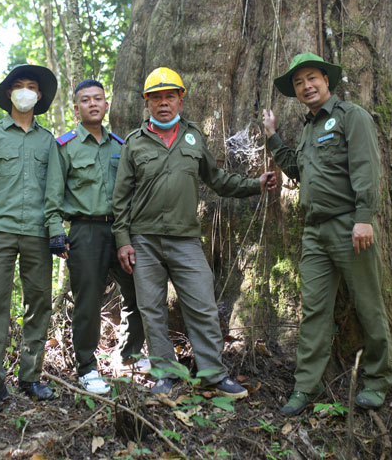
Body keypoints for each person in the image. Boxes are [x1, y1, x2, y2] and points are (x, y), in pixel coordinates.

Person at [112, 67, 277, 398]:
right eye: (155, 97)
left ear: (180, 101)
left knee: (202, 304)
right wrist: (123, 241)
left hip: (186, 239)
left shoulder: (193, 137)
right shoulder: (134, 143)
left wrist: (254, 186)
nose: (163, 103)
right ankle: (165, 374)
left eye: (169, 96)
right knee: (152, 309)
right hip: (145, 241)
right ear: (146, 103)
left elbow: (217, 179)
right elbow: (120, 199)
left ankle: (212, 374)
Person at [262, 52, 392, 416]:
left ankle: (379, 381)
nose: (306, 86)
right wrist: (273, 138)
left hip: (350, 225)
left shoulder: (352, 117)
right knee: (315, 311)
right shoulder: (307, 129)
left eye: (312, 78)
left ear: (326, 80)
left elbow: (366, 166)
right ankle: (306, 386)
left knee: (368, 304)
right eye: (299, 82)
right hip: (315, 232)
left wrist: (364, 217)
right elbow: (297, 170)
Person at [44, 79, 148, 395]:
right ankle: (87, 368)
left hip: (120, 230)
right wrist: (55, 233)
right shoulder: (64, 146)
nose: (93, 104)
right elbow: (52, 193)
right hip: (85, 230)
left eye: (98, 99)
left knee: (139, 288)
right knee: (88, 302)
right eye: (85, 100)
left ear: (106, 105)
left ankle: (129, 353)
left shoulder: (120, 145)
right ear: (76, 108)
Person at [0, 64, 60, 413]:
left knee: (38, 304)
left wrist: (56, 231)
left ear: (39, 96)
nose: (25, 91)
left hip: (38, 234)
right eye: (18, 85)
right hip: (0, 230)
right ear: (9, 93)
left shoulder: (48, 140)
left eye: (31, 87)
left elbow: (53, 189)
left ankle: (30, 377)